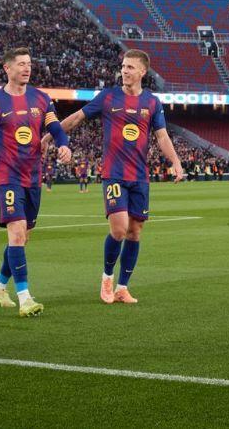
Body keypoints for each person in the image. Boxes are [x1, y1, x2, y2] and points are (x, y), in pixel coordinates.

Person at [59, 50, 185, 305]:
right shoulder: (108, 97)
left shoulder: (151, 102)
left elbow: (161, 136)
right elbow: (77, 118)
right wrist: (52, 134)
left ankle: (122, 287)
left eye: (130, 67)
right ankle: (106, 278)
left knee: (135, 232)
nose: (124, 71)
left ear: (142, 72)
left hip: (139, 176)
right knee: (119, 229)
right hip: (114, 174)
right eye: (123, 66)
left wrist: (175, 161)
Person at [0, 48, 71, 318]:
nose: (27, 68)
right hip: (8, 177)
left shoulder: (42, 99)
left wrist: (64, 145)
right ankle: (25, 298)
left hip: (33, 177)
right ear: (7, 68)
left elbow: (55, 129)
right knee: (17, 233)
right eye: (21, 64)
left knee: (22, 238)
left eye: (29, 64)